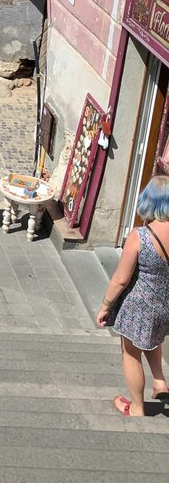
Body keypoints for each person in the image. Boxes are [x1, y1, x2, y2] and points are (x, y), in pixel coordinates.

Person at [97, 175, 169, 418]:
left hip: (140, 307)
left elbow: (120, 279)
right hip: (165, 307)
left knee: (130, 352)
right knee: (153, 338)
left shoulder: (140, 236)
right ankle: (159, 382)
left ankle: (137, 409)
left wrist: (105, 306)